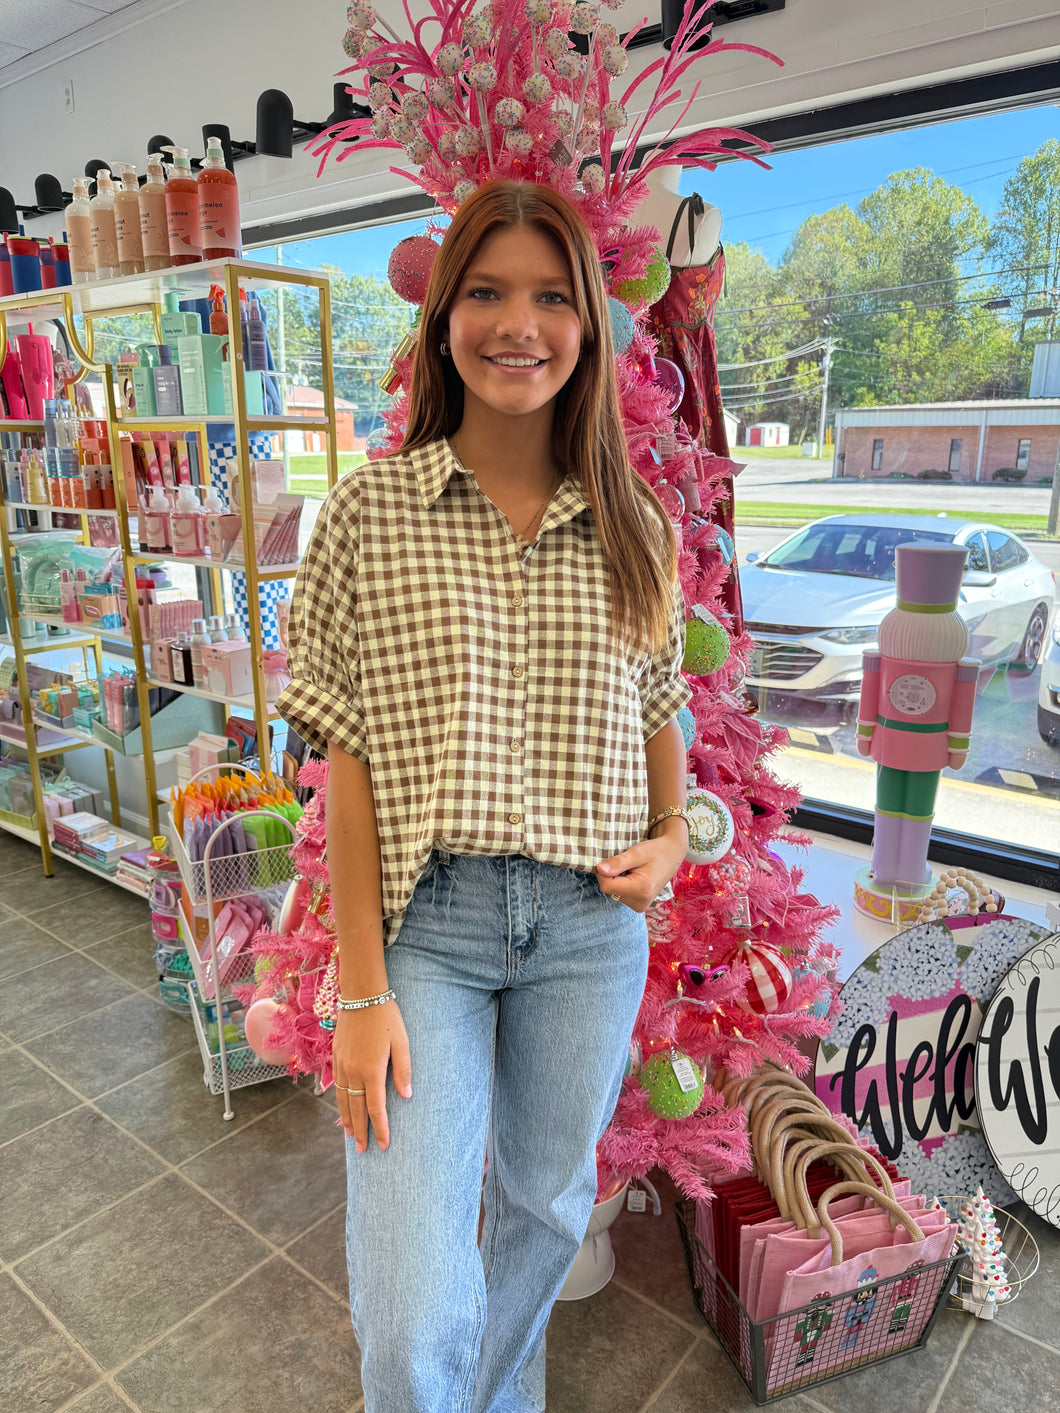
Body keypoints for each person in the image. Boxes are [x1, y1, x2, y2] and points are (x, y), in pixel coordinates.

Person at [277, 179, 693, 1413]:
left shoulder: (634, 522)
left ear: (588, 325)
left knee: (546, 1211)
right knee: (412, 1312)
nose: (521, 323)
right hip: (428, 928)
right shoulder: (368, 517)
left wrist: (672, 835)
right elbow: (345, 760)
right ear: (444, 317)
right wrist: (358, 988)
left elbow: (660, 695)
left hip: (588, 926)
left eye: (554, 295)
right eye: (489, 291)